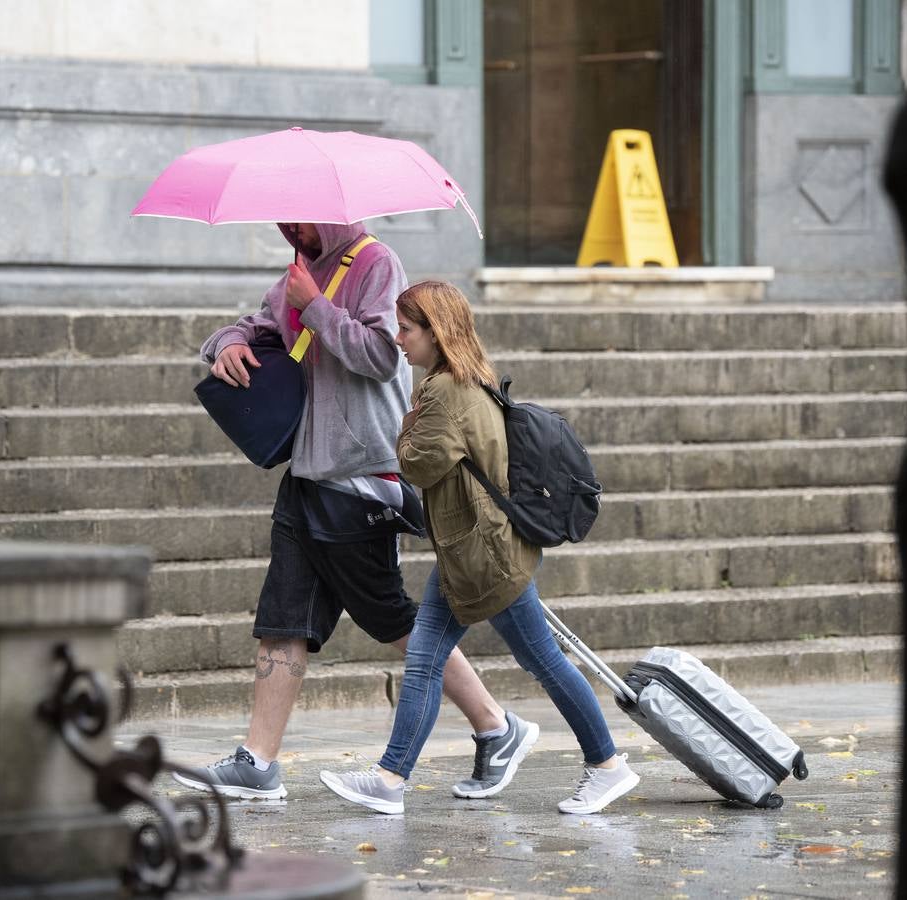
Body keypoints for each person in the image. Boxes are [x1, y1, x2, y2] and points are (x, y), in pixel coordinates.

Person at [175, 225, 535, 801]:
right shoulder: (302, 267)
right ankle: (258, 761)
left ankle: (497, 725)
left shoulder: (376, 264)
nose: (290, 227)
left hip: (361, 476)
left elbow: (379, 354)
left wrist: (315, 308)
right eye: (282, 218)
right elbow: (259, 324)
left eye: (300, 216)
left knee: (391, 618)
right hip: (305, 471)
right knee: (282, 618)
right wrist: (226, 344)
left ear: (331, 210)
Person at [319, 281, 640, 816]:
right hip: (476, 550)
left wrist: (404, 427)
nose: (398, 340)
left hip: (482, 556)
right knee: (442, 660)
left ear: (435, 332)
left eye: (406, 329)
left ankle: (607, 766)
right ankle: (390, 778)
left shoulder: (444, 390)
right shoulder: (473, 376)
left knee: (534, 661)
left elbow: (418, 464)